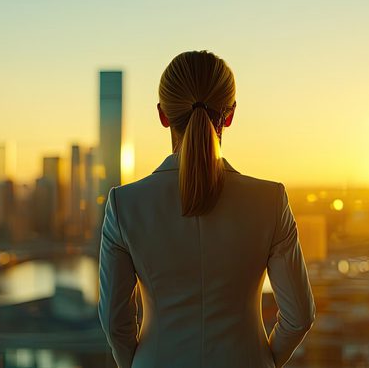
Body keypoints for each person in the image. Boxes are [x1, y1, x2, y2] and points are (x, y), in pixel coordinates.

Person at [98, 50, 315, 368]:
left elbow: (115, 323)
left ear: (163, 115)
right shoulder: (271, 200)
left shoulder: (124, 205)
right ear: (230, 115)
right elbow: (299, 317)